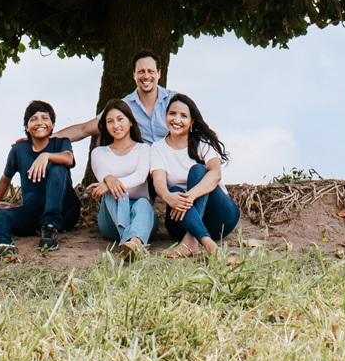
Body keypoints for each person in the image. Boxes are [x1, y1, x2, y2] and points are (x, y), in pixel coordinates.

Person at [0, 100, 80, 256]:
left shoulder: (61, 143)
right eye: (33, 119)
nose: (39, 122)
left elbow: (68, 158)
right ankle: (1, 244)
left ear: (52, 125)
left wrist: (46, 156)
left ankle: (50, 227)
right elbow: (5, 180)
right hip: (35, 210)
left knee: (56, 166)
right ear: (27, 127)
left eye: (44, 118)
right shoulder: (18, 150)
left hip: (64, 209)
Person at [149, 93, 240, 257]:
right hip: (182, 223)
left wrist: (190, 196)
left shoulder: (201, 143)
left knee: (198, 171)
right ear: (166, 116)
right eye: (172, 114)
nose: (177, 120)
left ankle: (192, 241)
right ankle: (205, 241)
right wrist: (167, 196)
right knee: (176, 189)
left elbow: (216, 174)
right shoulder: (157, 148)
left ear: (191, 122)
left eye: (183, 116)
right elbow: (159, 182)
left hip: (219, 217)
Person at [56, 51, 176, 146]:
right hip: (141, 168)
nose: (146, 76)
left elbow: (193, 127)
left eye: (150, 71)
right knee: (102, 138)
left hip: (172, 163)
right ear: (133, 75)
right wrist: (47, 140)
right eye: (141, 71)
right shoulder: (124, 106)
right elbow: (84, 129)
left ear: (159, 74)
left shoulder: (175, 100)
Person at [88, 98, 155, 259]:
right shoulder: (99, 152)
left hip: (142, 219)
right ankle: (129, 239)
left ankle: (134, 242)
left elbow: (140, 177)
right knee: (114, 191)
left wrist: (111, 182)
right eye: (110, 121)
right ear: (105, 126)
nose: (116, 125)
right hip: (110, 221)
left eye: (120, 119)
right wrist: (109, 181)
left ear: (131, 122)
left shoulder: (143, 149)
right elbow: (102, 172)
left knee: (144, 203)